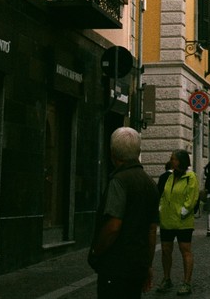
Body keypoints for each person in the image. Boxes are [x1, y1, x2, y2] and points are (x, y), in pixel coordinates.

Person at [88, 127, 158, 299]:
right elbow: (151, 230)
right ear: (138, 152)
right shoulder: (150, 183)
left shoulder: (119, 181)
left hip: (116, 265)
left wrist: (96, 251)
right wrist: (147, 265)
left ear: (112, 153)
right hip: (138, 264)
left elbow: (113, 226)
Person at [157, 150, 197, 296]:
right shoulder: (170, 176)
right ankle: (167, 279)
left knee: (185, 250)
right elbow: (164, 194)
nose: (171, 161)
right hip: (167, 219)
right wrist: (161, 208)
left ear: (180, 161)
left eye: (173, 159)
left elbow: (192, 197)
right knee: (166, 250)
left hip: (183, 221)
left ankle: (186, 282)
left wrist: (184, 211)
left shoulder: (190, 177)